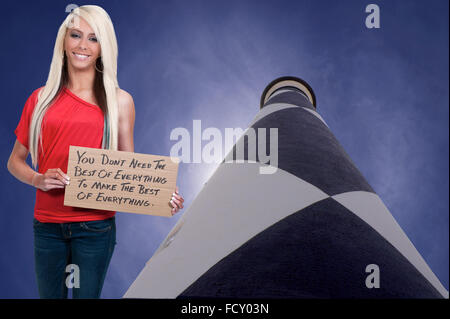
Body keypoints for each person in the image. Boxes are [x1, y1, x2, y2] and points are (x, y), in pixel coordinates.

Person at [6, 5, 184, 299]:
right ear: (64, 40)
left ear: (103, 47)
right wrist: (37, 179)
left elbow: (128, 168)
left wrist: (159, 192)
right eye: (76, 35)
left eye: (93, 38)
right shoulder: (39, 99)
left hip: (95, 228)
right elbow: (14, 162)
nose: (82, 46)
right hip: (47, 226)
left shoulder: (120, 102)